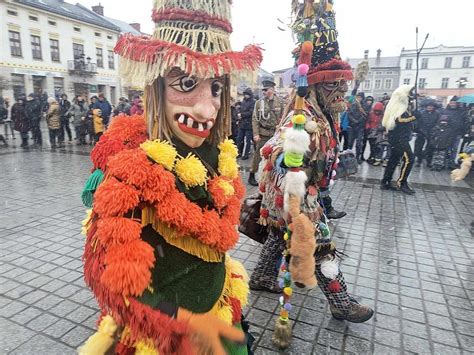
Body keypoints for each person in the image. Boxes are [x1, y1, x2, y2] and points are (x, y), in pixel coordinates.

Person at [79, 0, 263, 353]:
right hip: (166, 340)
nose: (207, 109)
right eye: (187, 83)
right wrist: (187, 322)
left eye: (216, 88)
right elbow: (116, 284)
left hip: (222, 314)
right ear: (156, 86)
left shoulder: (220, 157)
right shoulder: (130, 175)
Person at [250, 2, 373, 340]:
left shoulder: (325, 119)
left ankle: (261, 276)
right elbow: (273, 150)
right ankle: (341, 301)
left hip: (294, 195)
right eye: (335, 87)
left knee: (277, 236)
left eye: (343, 88)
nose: (342, 95)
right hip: (294, 197)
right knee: (322, 246)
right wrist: (287, 165)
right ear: (318, 87)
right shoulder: (302, 118)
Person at [381, 84, 418, 194]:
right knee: (409, 159)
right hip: (399, 138)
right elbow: (399, 119)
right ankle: (402, 183)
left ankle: (386, 181)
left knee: (394, 159)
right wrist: (414, 116)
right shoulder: (399, 106)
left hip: (399, 137)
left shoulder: (403, 105)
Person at [249, 80, 284, 186]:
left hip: (275, 134)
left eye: (266, 90)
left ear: (272, 90)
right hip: (263, 133)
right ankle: (252, 174)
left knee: (276, 155)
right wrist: (256, 134)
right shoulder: (259, 103)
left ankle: (271, 177)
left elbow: (283, 116)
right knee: (257, 156)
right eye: (263, 90)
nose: (264, 92)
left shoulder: (280, 102)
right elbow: (255, 119)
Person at [441, 97, 470, 169]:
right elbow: (442, 121)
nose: (452, 104)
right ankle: (444, 162)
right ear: (449, 103)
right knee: (446, 148)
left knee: (454, 149)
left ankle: (451, 163)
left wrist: (463, 131)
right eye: (451, 103)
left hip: (457, 133)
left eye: (454, 103)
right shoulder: (445, 111)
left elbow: (465, 123)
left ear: (457, 104)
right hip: (447, 133)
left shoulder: (462, 112)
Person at [414, 103, 440, 167]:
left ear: (434, 107)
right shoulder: (422, 113)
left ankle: (429, 161)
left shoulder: (437, 114)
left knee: (430, 148)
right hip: (421, 133)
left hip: (431, 133)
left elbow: (438, 123)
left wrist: (434, 130)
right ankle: (419, 161)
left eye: (431, 106)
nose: (429, 107)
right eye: (428, 106)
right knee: (419, 147)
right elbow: (418, 122)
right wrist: (420, 130)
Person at [348, 92, 368, 163]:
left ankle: (357, 157)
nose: (359, 98)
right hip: (352, 126)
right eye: (358, 97)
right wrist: (354, 120)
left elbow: (365, 115)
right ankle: (348, 157)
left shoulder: (364, 106)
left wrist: (358, 121)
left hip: (360, 127)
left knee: (359, 143)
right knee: (350, 142)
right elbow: (349, 114)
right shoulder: (352, 104)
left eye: (360, 97)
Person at [237, 88, 255, 160]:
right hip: (242, 124)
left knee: (247, 141)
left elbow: (251, 112)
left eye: (247, 94)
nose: (245, 95)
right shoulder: (243, 101)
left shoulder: (253, 102)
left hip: (248, 124)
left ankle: (246, 154)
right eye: (245, 94)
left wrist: (242, 115)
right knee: (239, 139)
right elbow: (241, 109)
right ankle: (239, 152)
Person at [360, 95, 374, 161]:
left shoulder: (372, 109)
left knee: (371, 144)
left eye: (370, 100)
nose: (369, 102)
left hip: (370, 128)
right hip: (364, 127)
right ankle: (361, 155)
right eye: (368, 100)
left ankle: (371, 156)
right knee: (363, 143)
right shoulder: (364, 107)